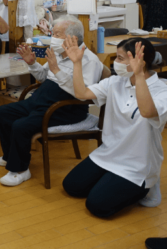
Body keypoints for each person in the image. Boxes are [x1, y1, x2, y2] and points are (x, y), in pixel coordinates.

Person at [62, 37, 167, 218]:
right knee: (72, 186)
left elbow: (147, 111)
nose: (115, 63)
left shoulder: (162, 90)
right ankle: (112, 181)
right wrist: (77, 63)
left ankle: (148, 187)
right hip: (109, 154)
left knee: (97, 206)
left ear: (139, 61)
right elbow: (81, 93)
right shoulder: (115, 82)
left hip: (138, 165)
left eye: (119, 58)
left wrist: (139, 75)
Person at [0, 15, 104, 187]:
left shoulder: (90, 60)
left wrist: (57, 71)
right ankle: (10, 156)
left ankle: (21, 170)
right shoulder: (59, 53)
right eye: (53, 33)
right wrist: (32, 63)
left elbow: (83, 94)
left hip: (65, 108)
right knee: (3, 112)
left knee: (20, 126)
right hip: (41, 102)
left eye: (57, 34)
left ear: (72, 38)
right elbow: (43, 77)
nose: (53, 37)